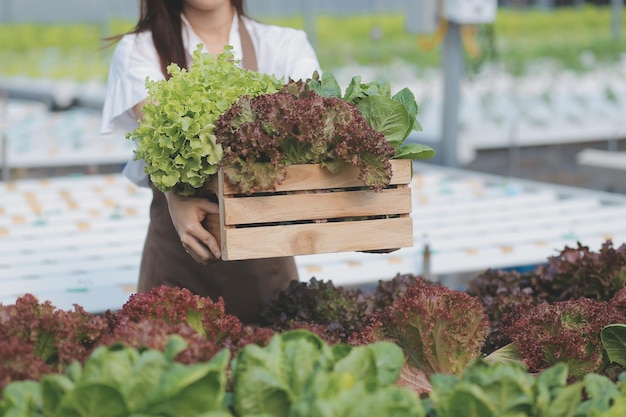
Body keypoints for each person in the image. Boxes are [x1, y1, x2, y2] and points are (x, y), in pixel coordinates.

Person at [101, 0, 321, 323]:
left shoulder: (286, 46)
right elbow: (159, 138)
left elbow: (315, 137)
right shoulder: (139, 51)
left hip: (267, 283)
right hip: (175, 281)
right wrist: (176, 197)